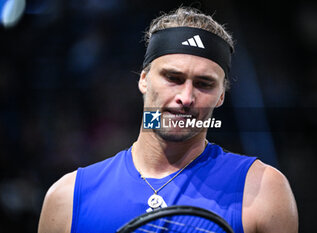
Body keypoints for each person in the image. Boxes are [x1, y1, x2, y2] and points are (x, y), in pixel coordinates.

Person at [38, 7, 298, 233]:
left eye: (204, 84)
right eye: (173, 78)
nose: (186, 97)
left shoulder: (263, 190)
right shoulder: (67, 198)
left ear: (220, 96)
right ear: (143, 79)